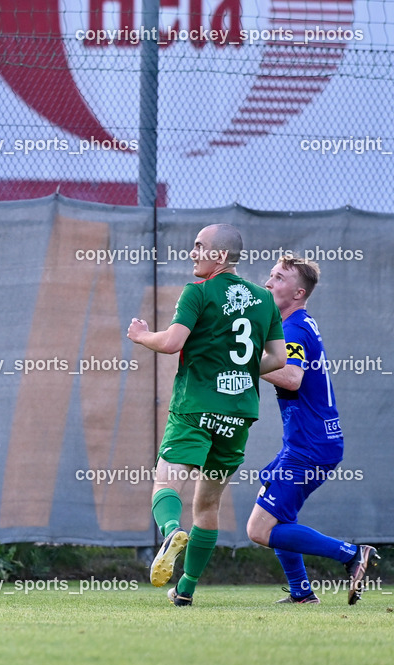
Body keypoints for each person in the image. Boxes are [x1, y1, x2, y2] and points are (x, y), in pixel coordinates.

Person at [127, 224, 287, 606]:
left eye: (199, 246)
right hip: (237, 416)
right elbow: (279, 359)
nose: (193, 252)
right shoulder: (265, 300)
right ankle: (185, 590)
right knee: (209, 506)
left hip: (195, 408)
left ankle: (169, 531)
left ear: (218, 256)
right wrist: (244, 372)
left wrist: (140, 336)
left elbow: (171, 342)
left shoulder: (197, 292)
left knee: (165, 485)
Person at [246, 255, 377, 605]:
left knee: (260, 530)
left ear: (299, 292)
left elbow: (291, 377)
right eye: (271, 275)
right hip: (309, 442)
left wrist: (240, 360)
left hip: (311, 446)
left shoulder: (294, 328)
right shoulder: (294, 324)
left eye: (279, 277)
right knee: (277, 515)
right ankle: (302, 593)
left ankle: (351, 554)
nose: (270, 282)